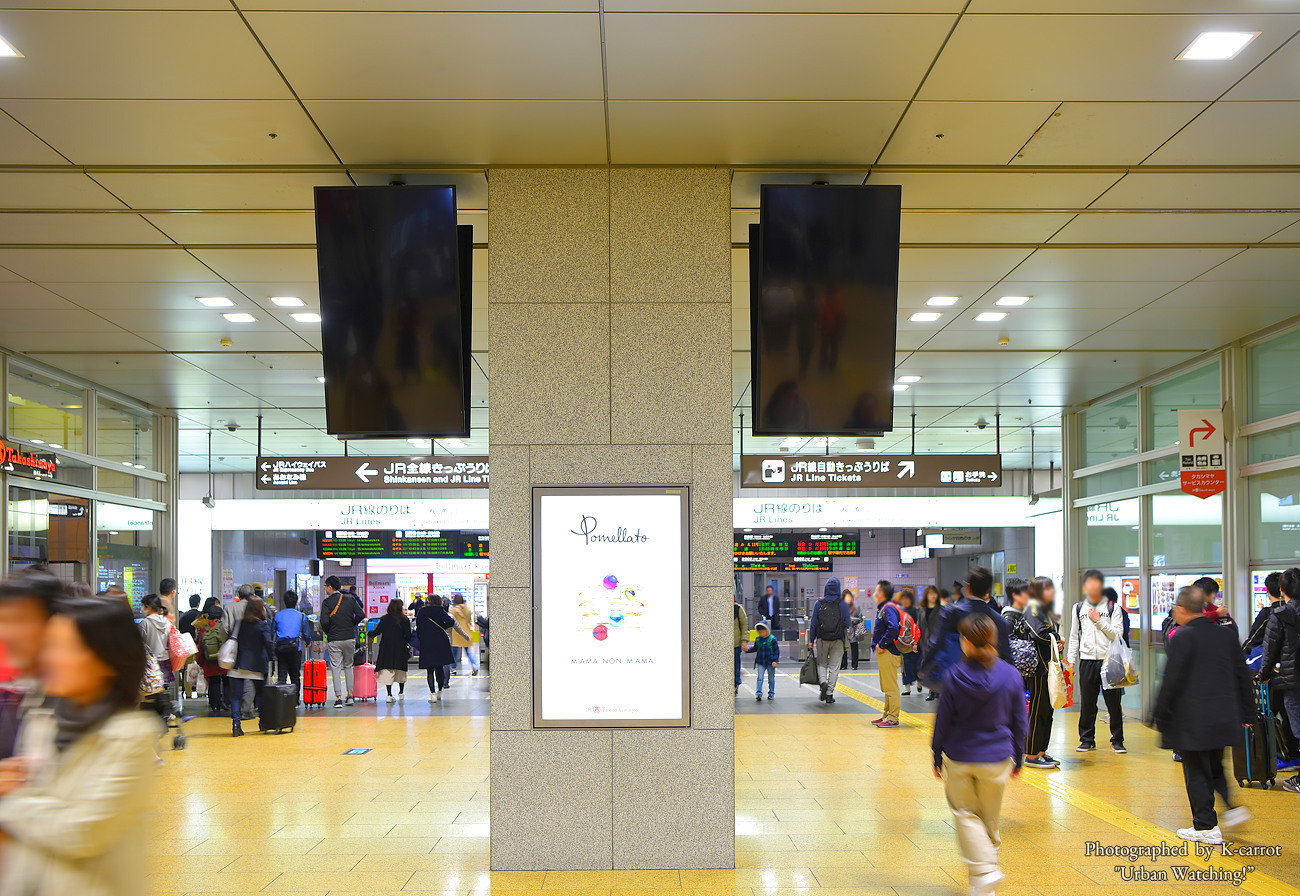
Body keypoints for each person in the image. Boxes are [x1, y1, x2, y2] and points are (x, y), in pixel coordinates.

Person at [0, 596, 157, 896]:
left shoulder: (130, 736)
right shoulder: (42, 721)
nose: (49, 658)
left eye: (66, 648)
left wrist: (10, 801)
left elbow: (83, 832)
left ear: (106, 659)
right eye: (50, 645)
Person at [931, 614, 1026, 896]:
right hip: (997, 758)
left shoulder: (954, 676)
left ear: (967, 643)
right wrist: (1019, 756)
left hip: (960, 757)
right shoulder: (1011, 675)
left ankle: (985, 871)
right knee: (988, 819)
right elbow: (1020, 721)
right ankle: (983, 886)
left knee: (965, 813)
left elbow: (942, 721)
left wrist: (936, 755)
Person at [1155, 587, 1254, 843]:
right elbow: (1242, 676)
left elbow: (1171, 681)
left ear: (1182, 609)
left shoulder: (1183, 637)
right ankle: (1231, 807)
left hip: (1193, 718)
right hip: (1223, 715)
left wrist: (1160, 715)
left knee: (1196, 770)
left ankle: (1205, 826)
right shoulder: (1225, 635)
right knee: (1215, 766)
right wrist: (1247, 713)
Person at [0, 569, 63, 760]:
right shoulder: (19, 692)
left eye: (19, 620)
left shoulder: (73, 697)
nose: (6, 633)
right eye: (3, 620)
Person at [920, 567, 1013, 694]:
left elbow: (936, 643)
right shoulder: (999, 620)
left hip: (957, 681)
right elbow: (1006, 655)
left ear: (967, 587)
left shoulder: (952, 613)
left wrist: (924, 666)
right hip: (989, 684)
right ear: (989, 592)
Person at [1067, 569, 1126, 754]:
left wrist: (1099, 621)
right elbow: (1074, 636)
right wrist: (1070, 660)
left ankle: (1117, 740)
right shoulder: (1078, 608)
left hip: (1110, 660)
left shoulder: (1113, 608)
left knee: (1113, 703)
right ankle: (1086, 739)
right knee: (1087, 702)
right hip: (1087, 660)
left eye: (1096, 583)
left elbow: (1118, 635)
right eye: (1089, 583)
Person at [1260, 567, 1300, 792]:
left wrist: (1264, 676)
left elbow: (1270, 651)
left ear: (1282, 590)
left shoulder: (1280, 615)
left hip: (1293, 681)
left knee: (1298, 727)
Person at [1023, 577, 1062, 769]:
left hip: (1047, 668)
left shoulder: (1044, 610)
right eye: (1048, 589)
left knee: (1047, 711)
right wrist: (1057, 637)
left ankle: (1040, 752)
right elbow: (1039, 634)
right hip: (1038, 670)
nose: (1052, 592)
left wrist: (1056, 642)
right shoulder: (1033, 609)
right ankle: (1031, 754)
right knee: (1037, 712)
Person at [228, 596, 273, 737]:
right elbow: (268, 642)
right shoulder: (262, 625)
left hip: (238, 664)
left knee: (236, 696)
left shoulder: (239, 623)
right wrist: (272, 656)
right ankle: (263, 722)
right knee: (260, 694)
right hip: (256, 665)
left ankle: (236, 725)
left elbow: (231, 638)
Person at [320, 576, 365, 708]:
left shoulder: (327, 602)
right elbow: (361, 614)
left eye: (326, 586)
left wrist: (329, 631)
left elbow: (324, 622)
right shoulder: (350, 599)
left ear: (330, 587)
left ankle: (338, 698)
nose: (325, 589)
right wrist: (351, 624)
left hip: (334, 639)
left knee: (335, 668)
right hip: (349, 637)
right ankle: (350, 696)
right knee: (348, 666)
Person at [416, 598, 469, 703]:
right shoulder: (440, 611)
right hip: (440, 642)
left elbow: (419, 627)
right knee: (439, 668)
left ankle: (432, 694)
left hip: (427, 643)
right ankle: (440, 691)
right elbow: (450, 622)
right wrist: (443, 626)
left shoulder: (421, 611)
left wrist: (422, 638)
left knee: (429, 671)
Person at [810, 578, 851, 704]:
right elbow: (847, 623)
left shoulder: (819, 603)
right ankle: (829, 694)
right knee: (834, 667)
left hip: (822, 639)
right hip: (837, 640)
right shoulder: (842, 604)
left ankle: (823, 682)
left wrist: (811, 640)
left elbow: (813, 624)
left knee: (822, 663)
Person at [139, 594, 177, 723]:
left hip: (150, 661)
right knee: (163, 687)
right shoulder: (166, 622)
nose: (142, 608)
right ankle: (167, 711)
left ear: (149, 607)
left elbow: (141, 643)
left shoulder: (145, 623)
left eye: (144, 606)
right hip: (165, 658)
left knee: (152, 689)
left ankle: (163, 712)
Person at [870, 581, 902, 727]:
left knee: (890, 686)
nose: (875, 593)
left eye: (877, 590)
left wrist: (882, 644)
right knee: (887, 685)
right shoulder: (885, 607)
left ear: (882, 593)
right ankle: (887, 714)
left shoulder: (888, 607)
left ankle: (893, 717)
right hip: (886, 651)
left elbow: (893, 627)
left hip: (888, 651)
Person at [374, 598, 413, 703]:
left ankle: (389, 695)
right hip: (400, 648)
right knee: (400, 670)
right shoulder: (404, 619)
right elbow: (408, 635)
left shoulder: (384, 619)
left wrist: (370, 634)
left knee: (388, 670)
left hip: (386, 648)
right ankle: (401, 693)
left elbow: (377, 631)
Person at [194, 598, 229, 715]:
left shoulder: (205, 628)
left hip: (210, 660)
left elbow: (200, 646)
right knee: (226, 680)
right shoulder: (224, 627)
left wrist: (200, 661)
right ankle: (227, 702)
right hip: (224, 659)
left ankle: (215, 705)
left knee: (214, 681)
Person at [272, 590, 308, 695]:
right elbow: (306, 633)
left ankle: (281, 699)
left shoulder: (278, 615)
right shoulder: (301, 616)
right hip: (295, 648)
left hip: (281, 648)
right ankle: (295, 699)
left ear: (284, 602)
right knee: (295, 675)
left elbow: (272, 632)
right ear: (296, 602)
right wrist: (308, 641)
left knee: (282, 675)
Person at [1244, 572, 1282, 653]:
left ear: (1267, 590)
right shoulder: (1294, 610)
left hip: (1271, 657)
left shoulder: (1267, 614)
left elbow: (1253, 640)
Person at [745, 621, 780, 701]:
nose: (761, 634)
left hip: (770, 662)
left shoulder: (772, 639)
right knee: (760, 677)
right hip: (761, 661)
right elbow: (755, 648)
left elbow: (776, 651)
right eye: (759, 632)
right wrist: (748, 650)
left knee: (771, 679)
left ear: (767, 630)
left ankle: (771, 692)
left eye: (763, 632)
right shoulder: (758, 639)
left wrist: (775, 660)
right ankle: (759, 693)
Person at [919, 585, 943, 701]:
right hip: (925, 642)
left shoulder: (941, 610)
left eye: (935, 593)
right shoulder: (922, 610)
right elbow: (919, 627)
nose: (933, 596)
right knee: (929, 666)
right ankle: (933, 690)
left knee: (937, 666)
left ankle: (935, 691)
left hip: (938, 642)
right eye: (930, 593)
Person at [899, 588, 922, 695]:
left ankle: (919, 682)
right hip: (904, 642)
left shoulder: (917, 611)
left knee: (917, 663)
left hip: (915, 642)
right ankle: (907, 687)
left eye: (907, 599)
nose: (905, 601)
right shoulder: (900, 612)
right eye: (903, 599)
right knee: (905, 665)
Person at [450, 594, 479, 676]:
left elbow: (451, 621)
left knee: (454, 653)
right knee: (468, 652)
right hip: (466, 632)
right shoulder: (467, 609)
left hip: (457, 633)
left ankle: (453, 669)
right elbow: (469, 621)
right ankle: (474, 665)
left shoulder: (454, 610)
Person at [843, 590, 864, 670]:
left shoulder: (856, 607)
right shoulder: (841, 607)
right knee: (843, 647)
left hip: (853, 629)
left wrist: (853, 619)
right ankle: (843, 664)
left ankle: (854, 665)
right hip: (844, 629)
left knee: (854, 647)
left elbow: (861, 618)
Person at [733, 597, 749, 695]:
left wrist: (744, 641)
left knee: (736, 664)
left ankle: (736, 683)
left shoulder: (738, 609)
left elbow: (744, 625)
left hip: (736, 643)